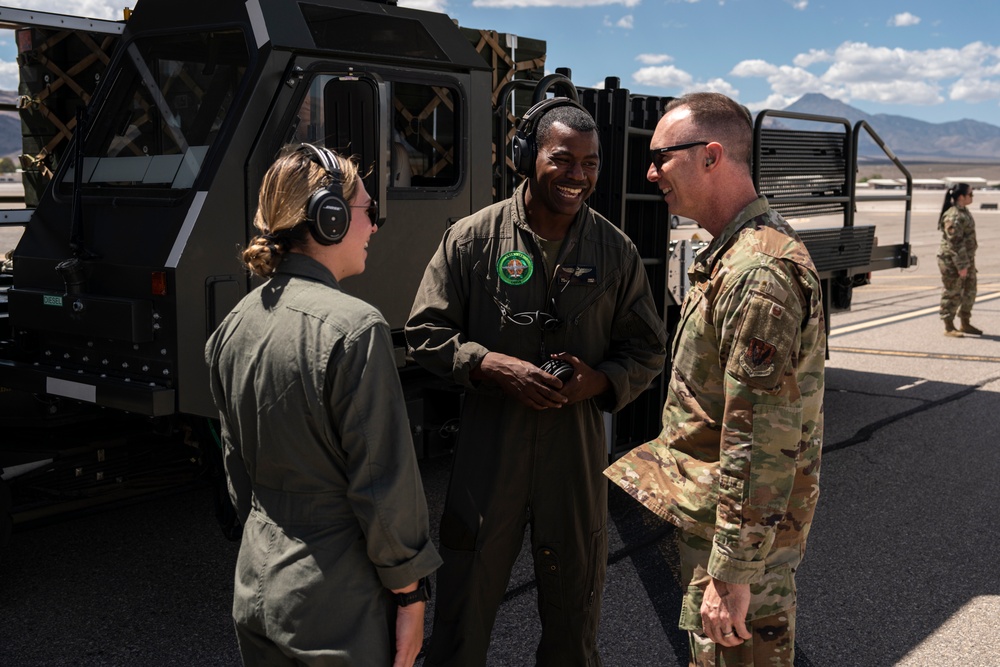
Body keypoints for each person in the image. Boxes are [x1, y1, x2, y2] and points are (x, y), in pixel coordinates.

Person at [405, 99, 666, 666]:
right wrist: (491, 364)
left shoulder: (615, 251)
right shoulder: (472, 241)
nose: (579, 176)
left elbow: (647, 349)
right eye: (563, 159)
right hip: (489, 451)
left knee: (575, 615)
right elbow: (425, 331)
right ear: (528, 157)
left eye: (591, 163)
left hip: (573, 457)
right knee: (462, 610)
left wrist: (599, 381)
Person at [604, 92, 826, 666]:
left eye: (661, 157)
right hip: (726, 529)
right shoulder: (734, 254)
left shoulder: (757, 273)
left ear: (710, 156)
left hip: (740, 547)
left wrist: (731, 572)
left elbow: (759, 442)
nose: (651, 173)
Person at [205, 145, 441, 667]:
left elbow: (236, 471)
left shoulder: (234, 325)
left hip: (259, 583)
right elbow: (383, 486)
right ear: (327, 219)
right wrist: (409, 594)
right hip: (338, 605)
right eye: (368, 212)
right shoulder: (355, 329)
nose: (374, 227)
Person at [937, 182, 982, 337]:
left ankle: (965, 323)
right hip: (952, 261)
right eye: (970, 194)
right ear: (961, 196)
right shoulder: (953, 215)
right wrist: (961, 266)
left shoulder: (964, 211)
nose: (972, 197)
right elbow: (955, 243)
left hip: (966, 259)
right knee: (953, 292)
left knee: (970, 291)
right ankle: (949, 326)